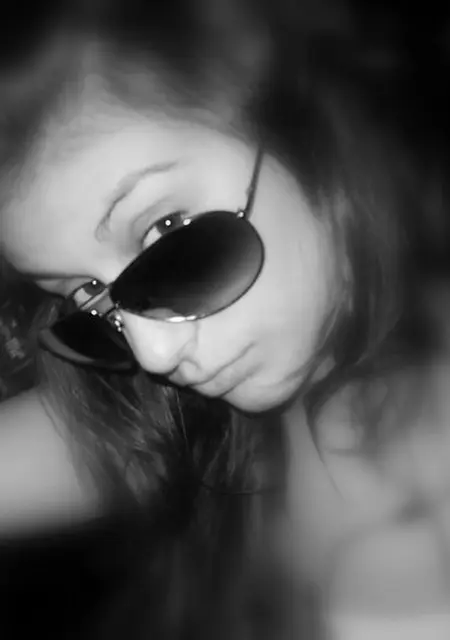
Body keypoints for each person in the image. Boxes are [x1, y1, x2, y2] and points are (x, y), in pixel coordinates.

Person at [1, 1, 450, 638]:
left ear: (299, 118)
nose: (153, 354)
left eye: (165, 230)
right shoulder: (198, 439)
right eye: (87, 294)